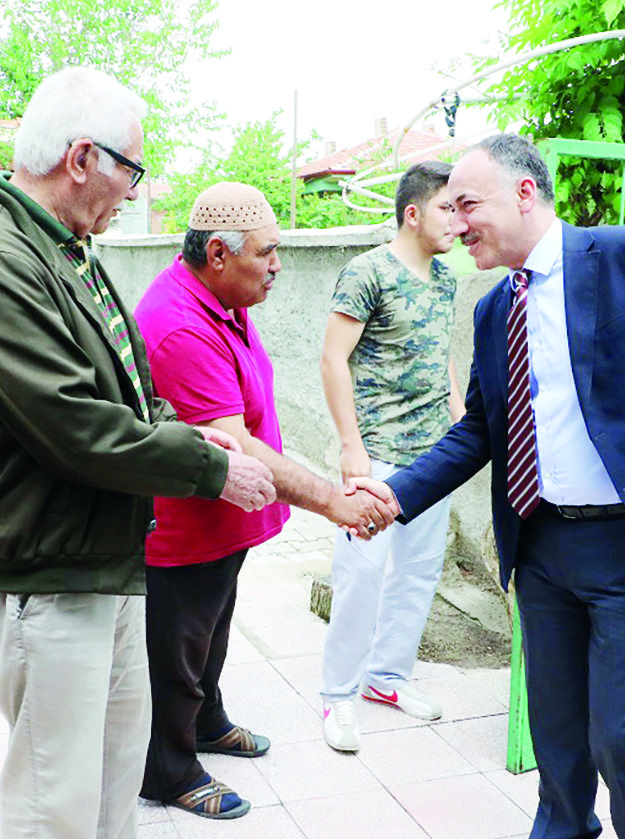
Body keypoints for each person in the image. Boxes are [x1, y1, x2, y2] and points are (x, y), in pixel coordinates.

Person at [380, 134, 625, 839]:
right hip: (543, 550)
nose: (456, 221)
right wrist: (394, 495)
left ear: (525, 192)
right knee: (557, 733)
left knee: (622, 735)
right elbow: (480, 430)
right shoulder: (493, 309)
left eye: (467, 203)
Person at [0, 70, 277, 839]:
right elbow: (74, 423)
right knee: (56, 801)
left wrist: (190, 434)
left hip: (104, 561)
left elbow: (133, 388)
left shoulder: (68, 249)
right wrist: (214, 466)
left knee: (115, 777)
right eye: (132, 170)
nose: (132, 191)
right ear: (83, 157)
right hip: (47, 574)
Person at [133, 182, 394, 819]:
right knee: (177, 648)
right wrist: (333, 501)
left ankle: (206, 721)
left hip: (223, 525)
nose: (278, 264)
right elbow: (237, 448)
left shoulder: (224, 298)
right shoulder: (178, 326)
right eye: (268, 253)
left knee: (211, 633)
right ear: (218, 254)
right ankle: (166, 768)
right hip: (184, 529)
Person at [319, 160, 466, 752]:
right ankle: (337, 697)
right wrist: (351, 447)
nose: (459, 220)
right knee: (359, 575)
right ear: (413, 213)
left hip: (433, 457)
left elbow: (441, 357)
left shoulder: (447, 279)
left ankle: (388, 679)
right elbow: (333, 360)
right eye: (448, 208)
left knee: (418, 571)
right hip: (376, 453)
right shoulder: (368, 272)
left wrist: (462, 423)